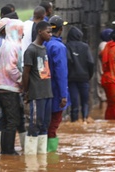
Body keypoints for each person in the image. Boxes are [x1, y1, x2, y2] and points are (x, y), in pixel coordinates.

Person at [22, 21, 53, 155]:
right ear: (40, 31)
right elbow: (26, 73)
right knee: (35, 124)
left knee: (45, 124)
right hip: (37, 93)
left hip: (47, 92)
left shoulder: (44, 49)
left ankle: (41, 158)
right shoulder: (31, 50)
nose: (50, 34)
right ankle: (30, 159)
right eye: (48, 31)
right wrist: (26, 92)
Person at [0, 19, 25, 155]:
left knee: (8, 119)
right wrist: (22, 80)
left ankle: (5, 149)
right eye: (21, 31)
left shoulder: (7, 44)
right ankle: (8, 151)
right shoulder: (12, 46)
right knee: (12, 120)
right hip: (9, 87)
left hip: (4, 86)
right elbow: (10, 68)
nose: (23, 34)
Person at [44, 15, 69, 152]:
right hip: (56, 91)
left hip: (43, 91)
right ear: (61, 29)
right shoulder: (59, 47)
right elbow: (61, 73)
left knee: (44, 124)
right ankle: (51, 156)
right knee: (53, 124)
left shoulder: (43, 43)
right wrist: (64, 95)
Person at [66, 26, 94, 122]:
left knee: (74, 102)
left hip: (71, 79)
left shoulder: (67, 46)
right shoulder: (85, 47)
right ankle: (85, 120)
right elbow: (91, 62)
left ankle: (74, 121)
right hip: (84, 78)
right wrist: (89, 75)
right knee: (85, 101)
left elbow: (68, 60)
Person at [97, 28, 113, 107]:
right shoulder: (104, 45)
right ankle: (103, 117)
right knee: (103, 97)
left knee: (104, 97)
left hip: (104, 74)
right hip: (103, 74)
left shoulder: (104, 45)